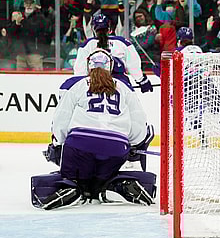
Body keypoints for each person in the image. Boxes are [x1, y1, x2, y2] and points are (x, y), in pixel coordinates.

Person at [33, 50, 155, 209]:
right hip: (116, 146)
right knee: (102, 180)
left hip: (80, 144)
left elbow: (61, 118)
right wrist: (134, 144)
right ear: (110, 67)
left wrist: (59, 143)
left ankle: (74, 187)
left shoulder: (78, 85)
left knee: (77, 178)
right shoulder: (124, 88)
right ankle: (112, 188)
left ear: (88, 66)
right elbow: (138, 121)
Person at [73, 12, 154, 92]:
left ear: (93, 29)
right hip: (120, 84)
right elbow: (133, 64)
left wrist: (79, 87)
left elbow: (80, 70)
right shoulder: (122, 42)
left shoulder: (87, 45)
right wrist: (141, 80)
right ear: (109, 29)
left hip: (95, 85)